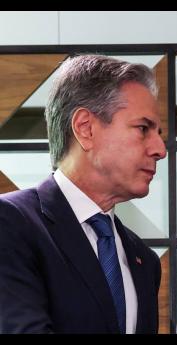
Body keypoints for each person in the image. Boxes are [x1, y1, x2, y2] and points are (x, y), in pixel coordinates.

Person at [0, 55, 167, 333]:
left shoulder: (144, 260)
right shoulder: (11, 224)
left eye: (158, 133)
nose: (160, 149)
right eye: (143, 128)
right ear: (85, 128)